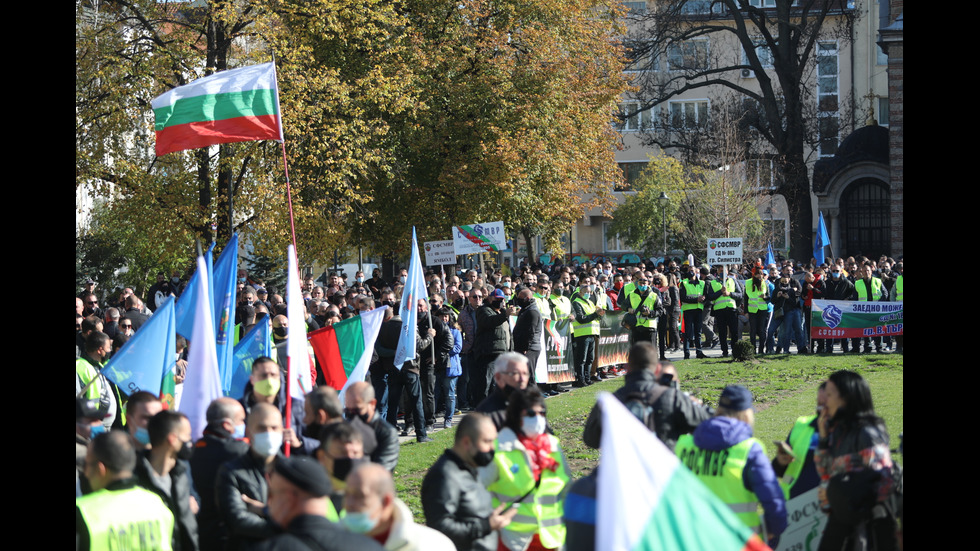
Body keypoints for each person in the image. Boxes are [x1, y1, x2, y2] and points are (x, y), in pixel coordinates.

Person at [675, 386, 786, 545]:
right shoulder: (749, 450)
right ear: (747, 414)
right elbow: (773, 501)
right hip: (737, 542)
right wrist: (774, 532)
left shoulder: (683, 445)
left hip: (692, 539)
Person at [815, 370, 897, 550]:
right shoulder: (838, 431)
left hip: (866, 529)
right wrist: (822, 438)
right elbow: (825, 473)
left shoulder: (868, 434)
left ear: (846, 398)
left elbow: (884, 483)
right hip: (841, 519)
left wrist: (840, 493)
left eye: (829, 395)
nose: (824, 402)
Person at [481, 388, 570, 551]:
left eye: (542, 414)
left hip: (551, 538)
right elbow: (478, 490)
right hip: (513, 540)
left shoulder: (553, 444)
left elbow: (566, 486)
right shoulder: (498, 447)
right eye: (530, 414)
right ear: (516, 416)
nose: (538, 419)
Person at [582, 343, 711, 451]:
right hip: (664, 475)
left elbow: (590, 439)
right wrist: (696, 405)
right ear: (657, 369)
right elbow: (711, 422)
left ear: (627, 367)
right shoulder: (673, 397)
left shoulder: (610, 402)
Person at [422, 413, 516, 551]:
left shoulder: (471, 467)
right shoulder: (444, 476)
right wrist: (486, 526)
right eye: (487, 442)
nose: (492, 448)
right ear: (466, 442)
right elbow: (440, 526)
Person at [252, 456, 385, 551]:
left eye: (272, 494)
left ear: (289, 498)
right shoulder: (370, 546)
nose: (269, 501)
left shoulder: (269, 548)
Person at [76, 431, 176, 551]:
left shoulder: (83, 512)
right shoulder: (159, 506)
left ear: (100, 469)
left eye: (87, 464)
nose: (85, 473)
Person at [343, 463, 455, 550]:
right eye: (346, 494)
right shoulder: (331, 539)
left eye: (360, 496)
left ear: (386, 502)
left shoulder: (432, 545)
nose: (349, 503)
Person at [135, 410, 200, 551]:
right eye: (187, 436)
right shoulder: (135, 478)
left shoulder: (180, 474)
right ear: (172, 439)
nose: (190, 441)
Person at [191, 398, 250, 551]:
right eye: (241, 420)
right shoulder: (239, 451)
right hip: (229, 534)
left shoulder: (194, 449)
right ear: (226, 425)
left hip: (200, 532)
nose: (244, 424)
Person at [772, 383, 826, 500]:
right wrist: (781, 461)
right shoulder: (802, 425)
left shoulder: (851, 431)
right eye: (818, 403)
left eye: (825, 404)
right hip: (794, 504)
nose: (820, 409)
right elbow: (779, 470)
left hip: (831, 507)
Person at [344, 381, 400, 471]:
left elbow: (382, 471)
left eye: (357, 410)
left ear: (372, 404)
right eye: (347, 411)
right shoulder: (344, 428)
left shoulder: (386, 432)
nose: (352, 415)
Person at [475, 352, 531, 431]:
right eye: (515, 373)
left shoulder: (533, 405)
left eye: (525, 373)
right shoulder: (487, 413)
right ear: (498, 377)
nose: (522, 379)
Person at [705, 267, 743, 357]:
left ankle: (734, 350)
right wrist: (720, 292)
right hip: (719, 310)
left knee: (734, 331)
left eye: (724, 271)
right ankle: (724, 351)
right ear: (718, 272)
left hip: (731, 309)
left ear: (727, 272)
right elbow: (710, 296)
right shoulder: (713, 283)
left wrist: (730, 293)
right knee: (722, 332)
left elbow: (740, 294)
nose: (722, 272)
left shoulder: (733, 281)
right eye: (720, 270)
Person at [571, 280, 603, 386]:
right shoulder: (576, 302)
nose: (588, 294)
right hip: (582, 334)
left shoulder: (589, 302)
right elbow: (581, 319)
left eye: (590, 292)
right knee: (582, 359)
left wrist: (600, 314)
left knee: (590, 358)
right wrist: (595, 314)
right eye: (586, 292)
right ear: (580, 292)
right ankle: (580, 379)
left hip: (591, 333)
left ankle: (587, 378)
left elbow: (595, 316)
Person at [679, 267, 707, 359]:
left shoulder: (702, 283)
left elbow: (706, 296)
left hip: (698, 309)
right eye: (689, 270)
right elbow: (683, 297)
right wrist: (696, 299)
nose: (692, 272)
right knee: (687, 332)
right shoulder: (684, 283)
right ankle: (686, 353)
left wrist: (703, 299)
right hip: (688, 310)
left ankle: (699, 352)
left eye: (693, 271)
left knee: (698, 332)